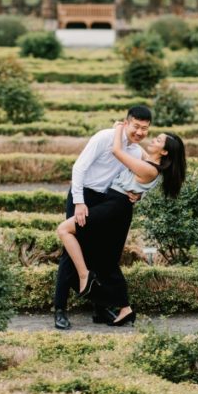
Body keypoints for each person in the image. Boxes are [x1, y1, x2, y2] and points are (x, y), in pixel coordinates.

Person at [56, 122, 187, 327]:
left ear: (164, 151)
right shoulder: (148, 161)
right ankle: (124, 308)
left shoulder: (148, 168)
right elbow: (137, 150)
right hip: (114, 205)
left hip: (114, 207)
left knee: (64, 229)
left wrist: (119, 128)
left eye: (158, 140)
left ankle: (84, 275)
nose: (152, 138)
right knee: (106, 259)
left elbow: (117, 150)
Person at [53, 105, 152, 330]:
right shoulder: (104, 137)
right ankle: (60, 309)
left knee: (97, 252)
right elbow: (79, 168)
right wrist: (79, 201)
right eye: (136, 126)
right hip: (83, 195)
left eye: (144, 129)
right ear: (126, 123)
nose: (139, 132)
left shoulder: (135, 152)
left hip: (105, 202)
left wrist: (138, 195)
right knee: (71, 251)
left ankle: (99, 308)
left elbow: (136, 181)